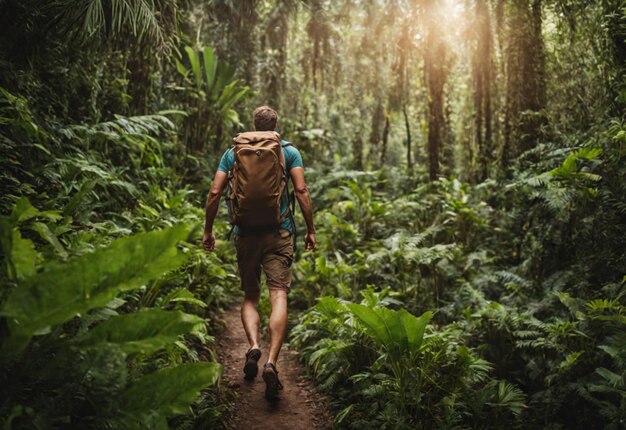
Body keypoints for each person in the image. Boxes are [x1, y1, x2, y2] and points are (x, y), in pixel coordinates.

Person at [202, 105, 316, 400]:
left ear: (253, 125)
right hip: (279, 233)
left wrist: (208, 230)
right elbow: (301, 192)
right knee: (278, 294)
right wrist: (311, 229)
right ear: (277, 125)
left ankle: (253, 346)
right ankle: (271, 362)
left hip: (245, 235)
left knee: (250, 296)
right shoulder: (288, 152)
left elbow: (215, 192)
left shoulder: (233, 153)